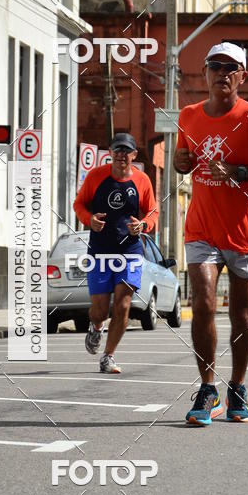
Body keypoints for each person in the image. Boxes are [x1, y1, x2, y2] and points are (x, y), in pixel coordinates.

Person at [174, 42, 248, 426]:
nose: (222, 73)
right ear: (205, 72)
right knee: (203, 303)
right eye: (216, 66)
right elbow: (182, 161)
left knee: (242, 313)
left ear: (242, 76)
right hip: (201, 228)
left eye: (231, 68)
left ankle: (237, 386)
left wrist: (240, 172)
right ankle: (207, 388)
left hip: (243, 232)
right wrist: (180, 162)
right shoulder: (188, 116)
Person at [73, 133, 158, 373]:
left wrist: (143, 225)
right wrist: (89, 219)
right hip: (100, 250)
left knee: (123, 304)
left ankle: (108, 356)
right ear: (110, 153)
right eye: (117, 150)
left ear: (134, 155)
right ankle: (96, 327)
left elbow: (152, 212)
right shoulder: (95, 176)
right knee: (100, 310)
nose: (121, 155)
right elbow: (79, 204)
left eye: (126, 151)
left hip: (130, 250)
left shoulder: (142, 180)